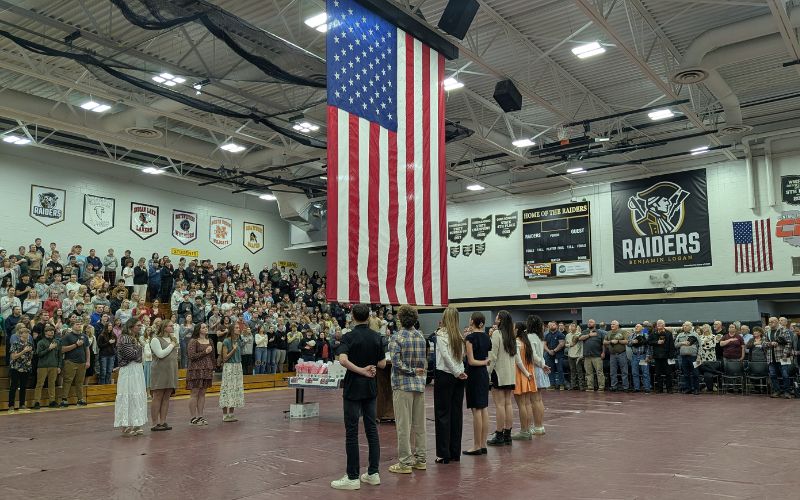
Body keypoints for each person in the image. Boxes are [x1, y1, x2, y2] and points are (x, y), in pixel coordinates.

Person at [330, 303, 387, 491]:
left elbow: (343, 360)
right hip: (370, 387)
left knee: (352, 431)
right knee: (371, 429)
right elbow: (382, 363)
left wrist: (360, 370)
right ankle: (373, 473)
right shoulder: (376, 336)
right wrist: (368, 367)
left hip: (354, 387)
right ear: (369, 317)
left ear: (353, 316)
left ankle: (353, 476)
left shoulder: (349, 336)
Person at [388, 304, 428, 473]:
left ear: (399, 319)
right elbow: (424, 361)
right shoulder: (421, 337)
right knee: (420, 425)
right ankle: (421, 459)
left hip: (402, 384)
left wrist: (410, 370)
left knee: (403, 426)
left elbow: (396, 363)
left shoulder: (396, 338)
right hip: (419, 385)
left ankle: (405, 462)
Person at [487, 310, 529, 446]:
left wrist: (487, 373)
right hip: (510, 375)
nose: (496, 318)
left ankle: (499, 434)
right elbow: (517, 358)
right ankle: (507, 434)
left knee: (499, 405)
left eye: (497, 317)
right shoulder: (512, 336)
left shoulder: (497, 334)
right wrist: (526, 373)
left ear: (500, 320)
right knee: (508, 404)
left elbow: (492, 357)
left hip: (499, 374)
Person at [433, 306, 467, 463]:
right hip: (458, 376)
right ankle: (455, 452)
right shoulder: (459, 336)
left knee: (442, 414)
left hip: (445, 376)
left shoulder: (441, 334)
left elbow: (446, 357)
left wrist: (455, 371)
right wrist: (460, 371)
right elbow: (460, 357)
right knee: (456, 414)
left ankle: (443, 454)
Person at [114, 318, 148, 436]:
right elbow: (131, 355)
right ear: (130, 327)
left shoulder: (134, 338)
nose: (140, 327)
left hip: (136, 369)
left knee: (136, 394)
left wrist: (138, 350)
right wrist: (140, 348)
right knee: (128, 394)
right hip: (129, 370)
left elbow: (136, 354)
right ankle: (126, 425)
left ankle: (136, 422)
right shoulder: (125, 338)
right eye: (138, 325)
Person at [463, 312, 490, 456]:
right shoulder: (487, 337)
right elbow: (488, 357)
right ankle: (483, 444)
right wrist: (486, 362)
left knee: (476, 410)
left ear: (472, 321)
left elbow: (471, 361)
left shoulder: (470, 338)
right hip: (484, 375)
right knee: (484, 408)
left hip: (474, 374)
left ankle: (476, 445)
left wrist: (484, 362)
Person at [149, 320, 179, 431]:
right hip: (159, 370)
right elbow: (160, 354)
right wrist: (172, 345)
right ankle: (154, 423)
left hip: (171, 370)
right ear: (164, 327)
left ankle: (163, 421)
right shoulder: (155, 339)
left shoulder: (173, 339)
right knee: (157, 396)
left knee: (167, 397)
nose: (172, 327)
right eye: (170, 326)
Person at [187, 322, 215, 426]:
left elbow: (212, 356)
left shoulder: (210, 341)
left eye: (206, 327)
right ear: (199, 329)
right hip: (196, 369)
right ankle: (193, 417)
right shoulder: (193, 341)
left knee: (202, 393)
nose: (206, 328)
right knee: (194, 393)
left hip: (207, 369)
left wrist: (213, 367)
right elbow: (191, 356)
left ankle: (200, 416)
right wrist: (205, 352)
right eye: (203, 327)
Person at [511, 322, 536, 441]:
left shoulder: (516, 342)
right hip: (528, 373)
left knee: (521, 405)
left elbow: (518, 361)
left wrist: (525, 372)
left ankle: (524, 431)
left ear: (517, 330)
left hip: (520, 373)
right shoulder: (527, 343)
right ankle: (528, 428)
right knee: (527, 404)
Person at [526, 315, 550, 435]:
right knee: (538, 399)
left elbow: (533, 355)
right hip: (540, 368)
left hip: (534, 369)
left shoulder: (529, 337)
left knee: (534, 400)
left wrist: (541, 364)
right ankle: (540, 426)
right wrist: (543, 364)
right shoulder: (540, 337)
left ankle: (537, 426)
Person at [60, 317, 90, 407]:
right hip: (70, 362)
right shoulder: (68, 336)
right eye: (77, 324)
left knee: (80, 382)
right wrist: (76, 345)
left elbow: (87, 350)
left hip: (82, 362)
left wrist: (88, 361)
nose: (79, 325)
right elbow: (62, 349)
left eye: (80, 324)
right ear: (72, 326)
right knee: (67, 380)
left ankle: (80, 399)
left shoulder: (84, 336)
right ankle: (64, 399)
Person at [219, 324, 245, 421]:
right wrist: (233, 350)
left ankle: (231, 414)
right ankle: (225, 415)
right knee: (227, 389)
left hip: (238, 366)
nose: (239, 329)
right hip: (229, 367)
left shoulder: (238, 340)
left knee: (235, 389)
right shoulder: (226, 341)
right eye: (236, 328)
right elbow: (225, 358)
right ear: (232, 330)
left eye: (239, 327)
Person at [764, 316, 793, 398]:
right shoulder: (767, 332)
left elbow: (789, 343)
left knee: (785, 375)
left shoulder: (784, 330)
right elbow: (763, 343)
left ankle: (787, 392)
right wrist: (770, 343)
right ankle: (777, 391)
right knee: (773, 375)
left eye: (772, 322)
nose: (770, 323)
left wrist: (785, 354)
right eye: (769, 322)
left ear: (777, 322)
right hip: (771, 357)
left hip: (783, 356)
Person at [33, 324, 61, 409]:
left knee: (52, 384)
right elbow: (39, 354)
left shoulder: (57, 342)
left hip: (54, 366)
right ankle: (37, 402)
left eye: (53, 330)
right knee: (39, 384)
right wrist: (49, 348)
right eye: (49, 330)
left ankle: (52, 401)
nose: (52, 332)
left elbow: (60, 355)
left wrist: (59, 366)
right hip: (43, 366)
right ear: (45, 332)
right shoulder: (41, 342)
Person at [8, 327, 34, 412]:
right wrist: (24, 351)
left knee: (23, 387)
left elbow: (30, 356)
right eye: (25, 333)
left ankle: (22, 404)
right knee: (13, 387)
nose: (27, 334)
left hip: (26, 368)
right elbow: (13, 356)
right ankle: (11, 405)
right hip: (16, 368)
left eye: (28, 333)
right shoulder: (15, 343)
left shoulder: (30, 343)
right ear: (20, 334)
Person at [648, 320, 676, 394]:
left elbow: (671, 345)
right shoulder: (653, 333)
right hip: (657, 356)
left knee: (668, 373)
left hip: (666, 356)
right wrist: (656, 342)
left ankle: (669, 388)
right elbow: (649, 342)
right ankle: (659, 389)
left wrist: (671, 355)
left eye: (660, 324)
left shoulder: (668, 333)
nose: (659, 325)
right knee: (658, 373)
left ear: (664, 325)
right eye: (658, 324)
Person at [579, 319, 606, 392]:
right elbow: (580, 338)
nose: (589, 323)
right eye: (588, 322)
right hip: (587, 356)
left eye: (591, 322)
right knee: (588, 372)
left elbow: (603, 344)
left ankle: (601, 387)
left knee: (599, 372)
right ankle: (590, 387)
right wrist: (589, 335)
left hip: (597, 355)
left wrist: (603, 352)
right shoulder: (585, 332)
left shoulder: (600, 332)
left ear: (595, 324)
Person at [674, 321, 701, 395]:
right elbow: (675, 345)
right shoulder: (680, 335)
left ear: (690, 327)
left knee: (695, 374)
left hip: (694, 357)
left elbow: (700, 346)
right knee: (686, 374)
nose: (685, 327)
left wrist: (699, 356)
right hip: (683, 357)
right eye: (684, 326)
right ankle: (688, 388)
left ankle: (696, 389)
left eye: (686, 325)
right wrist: (682, 343)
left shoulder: (695, 335)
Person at [603, 320, 629, 392]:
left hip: (621, 354)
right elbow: (604, 342)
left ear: (617, 325)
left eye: (613, 324)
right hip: (612, 355)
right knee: (612, 372)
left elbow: (627, 341)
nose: (612, 325)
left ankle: (625, 387)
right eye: (611, 324)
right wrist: (610, 341)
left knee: (624, 371)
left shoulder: (623, 332)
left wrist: (618, 341)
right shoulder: (608, 332)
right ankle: (614, 386)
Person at [543, 321, 566, 389]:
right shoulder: (547, 335)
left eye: (553, 325)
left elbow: (561, 344)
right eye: (550, 325)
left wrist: (554, 350)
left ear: (556, 326)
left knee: (560, 370)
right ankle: (552, 384)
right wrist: (549, 351)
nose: (551, 326)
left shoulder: (560, 334)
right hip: (549, 355)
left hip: (558, 355)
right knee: (550, 370)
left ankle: (561, 384)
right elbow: (544, 344)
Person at [565, 323, 585, 391]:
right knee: (572, 371)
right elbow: (566, 344)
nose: (571, 327)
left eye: (573, 326)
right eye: (571, 326)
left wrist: (581, 355)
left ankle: (581, 386)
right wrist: (569, 345)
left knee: (579, 371)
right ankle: (573, 385)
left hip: (577, 356)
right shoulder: (568, 335)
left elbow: (582, 345)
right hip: (570, 355)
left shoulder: (579, 334)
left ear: (576, 328)